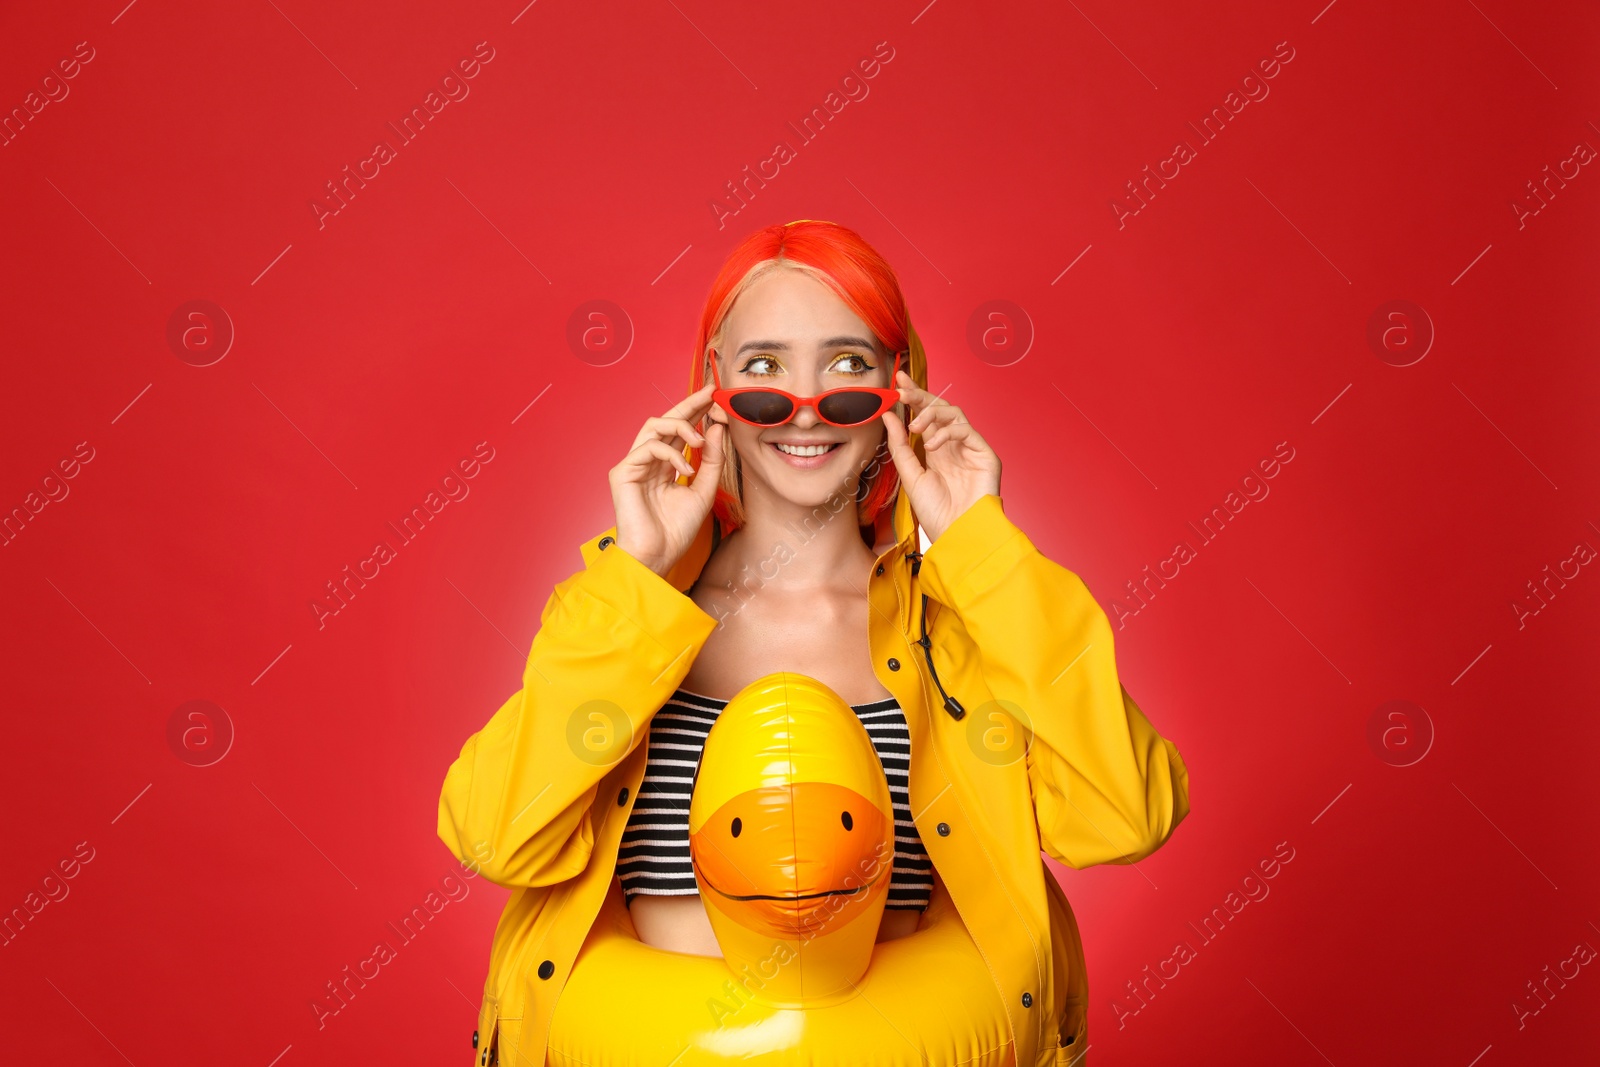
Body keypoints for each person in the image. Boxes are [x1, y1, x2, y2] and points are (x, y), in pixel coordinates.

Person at [437, 219, 1191, 1066]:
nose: (805, 408)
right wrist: (638, 579)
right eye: (764, 368)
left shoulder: (957, 633)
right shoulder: (633, 617)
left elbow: (1124, 816)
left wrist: (984, 551)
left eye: (847, 366)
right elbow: (494, 835)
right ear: (713, 386)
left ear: (898, 388)